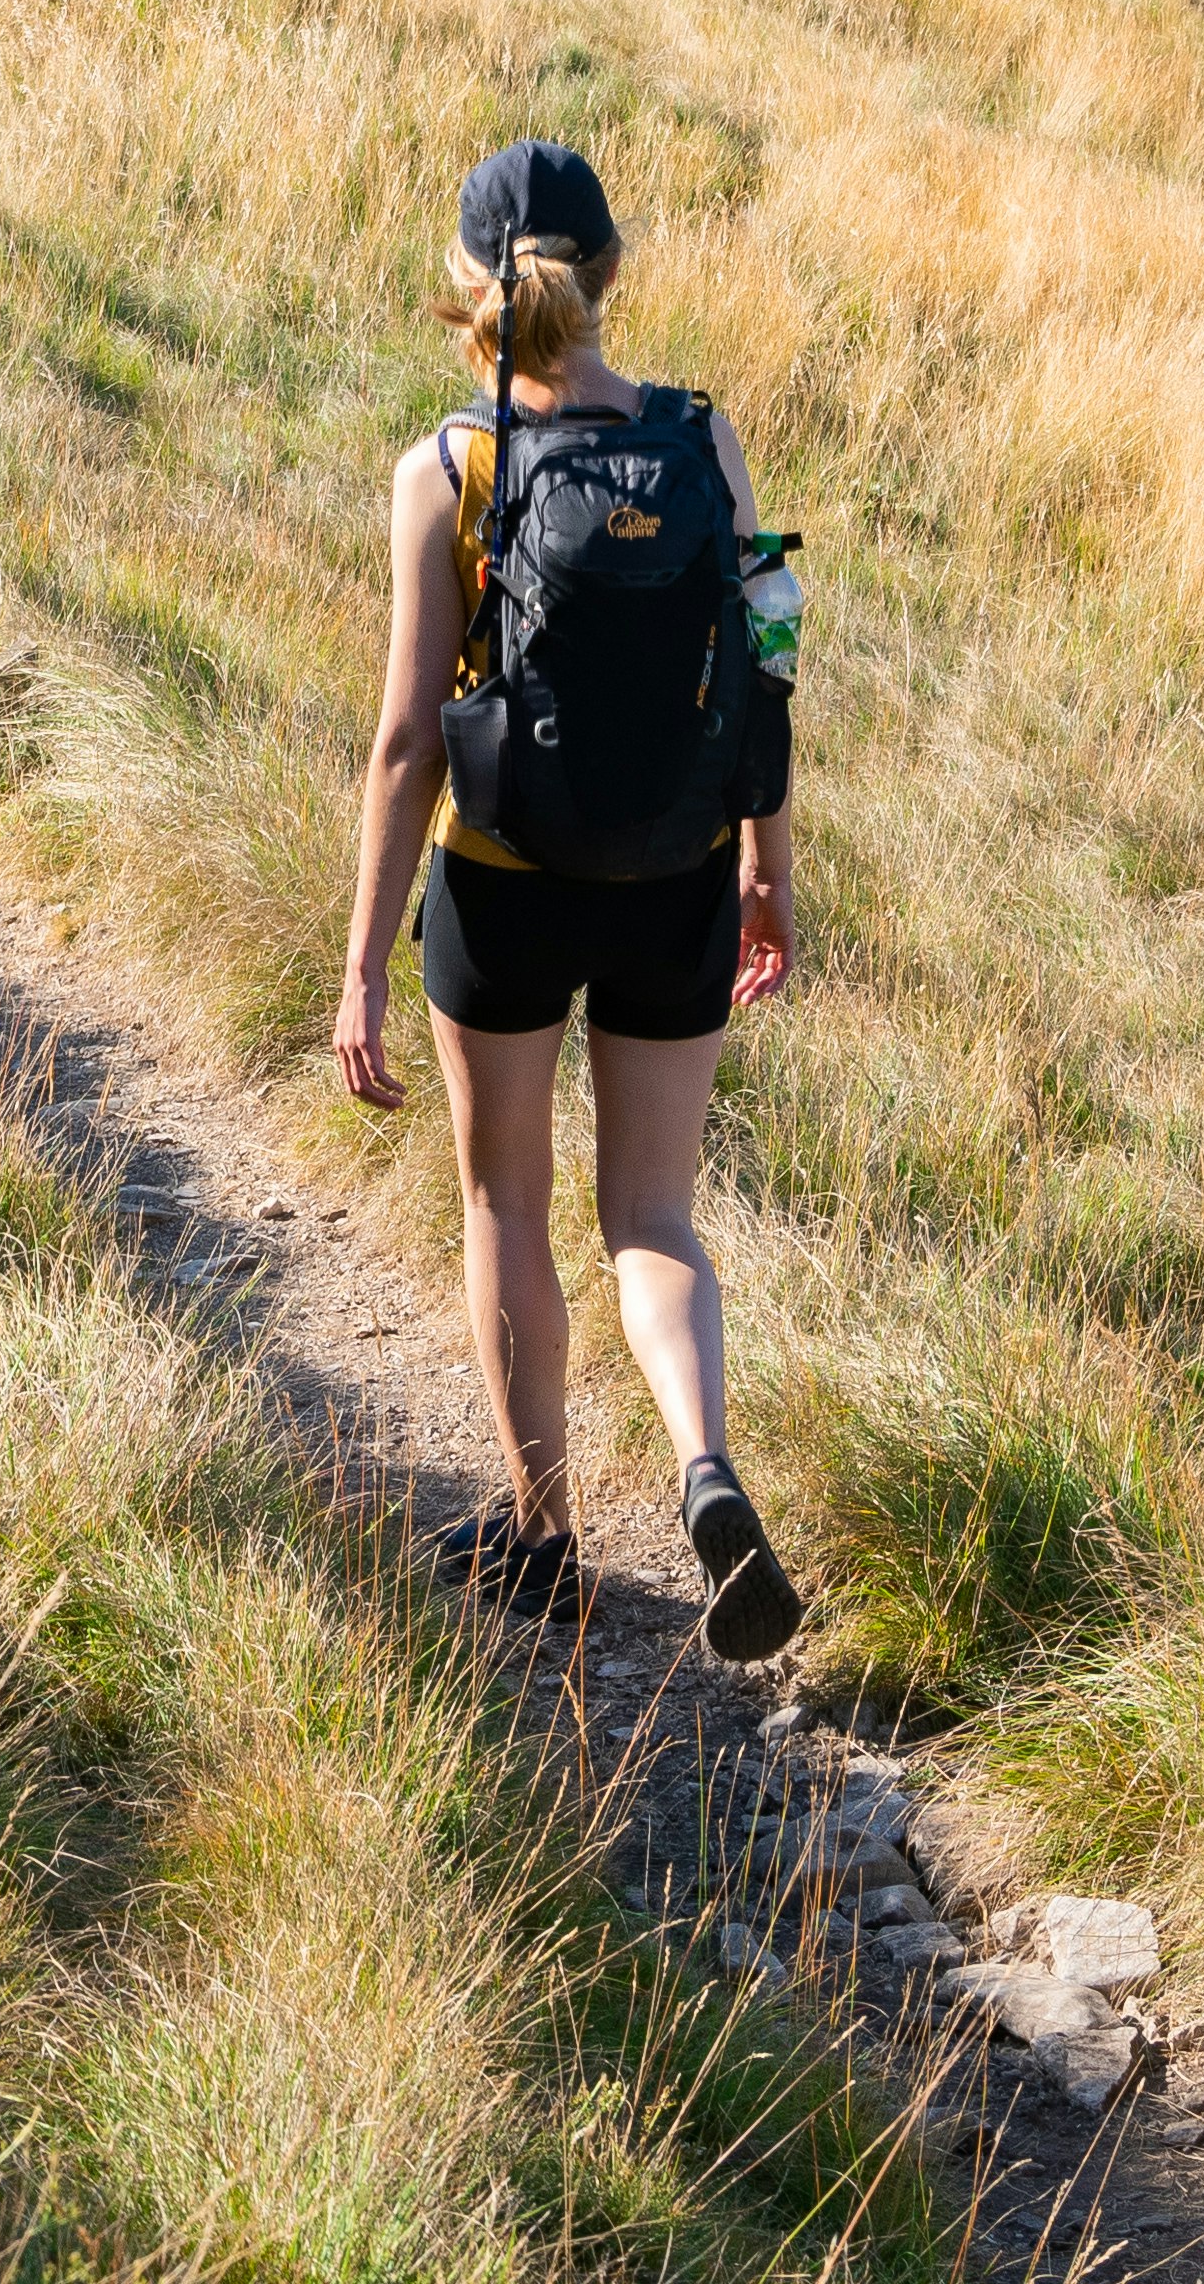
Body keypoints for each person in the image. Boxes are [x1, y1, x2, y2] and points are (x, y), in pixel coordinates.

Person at [332, 140, 807, 1661]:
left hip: (505, 888)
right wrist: (767, 870)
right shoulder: (704, 443)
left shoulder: (450, 469)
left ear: (469, 289)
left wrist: (357, 967)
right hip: (676, 874)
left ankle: (545, 1533)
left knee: (506, 1207)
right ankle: (702, 1464)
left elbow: (409, 741)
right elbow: (763, 672)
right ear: (609, 275)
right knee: (652, 1216)